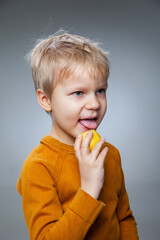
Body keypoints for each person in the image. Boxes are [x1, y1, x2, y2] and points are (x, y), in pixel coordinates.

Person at [17, 32, 139, 240]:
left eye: (100, 90)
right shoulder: (39, 166)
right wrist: (89, 189)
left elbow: (124, 219)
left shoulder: (109, 154)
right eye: (78, 93)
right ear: (46, 100)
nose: (94, 104)